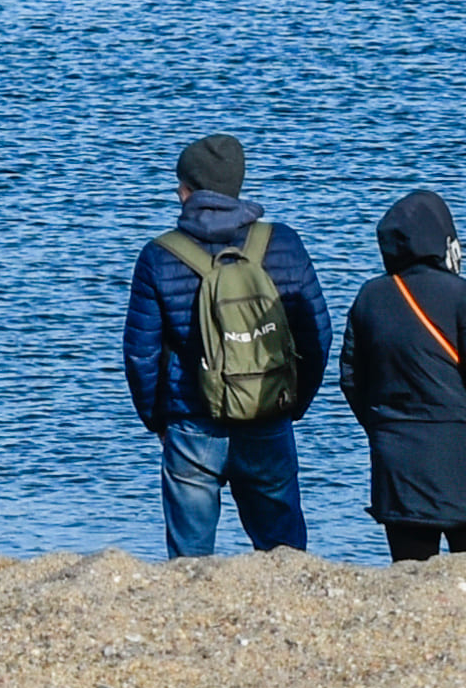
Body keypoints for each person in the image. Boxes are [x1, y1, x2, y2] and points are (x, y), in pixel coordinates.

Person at [123, 132, 329, 557]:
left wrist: (156, 421)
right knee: (284, 555)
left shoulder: (159, 256)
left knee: (190, 561)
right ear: (238, 185)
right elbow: (316, 334)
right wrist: (291, 402)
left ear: (186, 191)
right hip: (267, 413)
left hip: (192, 422)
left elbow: (141, 354)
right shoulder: (283, 243)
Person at [343, 188, 466, 560]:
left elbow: (351, 379)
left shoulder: (369, 296)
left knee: (410, 580)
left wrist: (384, 427)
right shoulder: (463, 295)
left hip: (400, 466)